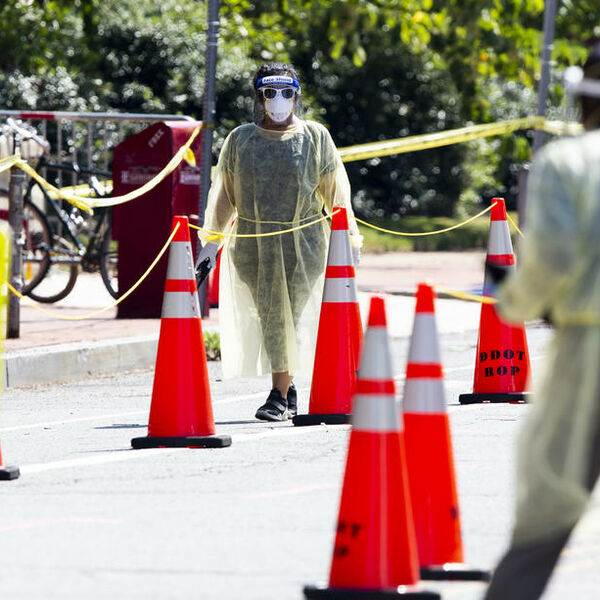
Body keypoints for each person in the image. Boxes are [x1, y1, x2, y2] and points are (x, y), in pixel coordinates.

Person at [483, 43, 600, 600]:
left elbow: (551, 260)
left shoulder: (568, 161)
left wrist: (515, 303)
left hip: (588, 352)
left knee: (548, 510)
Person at [197, 62, 361, 422]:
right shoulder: (240, 140)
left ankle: (278, 394)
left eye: (286, 92)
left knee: (288, 315)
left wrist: (349, 237)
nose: (278, 100)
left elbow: (336, 193)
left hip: (305, 243)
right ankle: (287, 389)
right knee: (270, 315)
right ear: (259, 97)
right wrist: (211, 241)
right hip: (252, 245)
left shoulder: (315, 137)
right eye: (270, 93)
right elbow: (224, 196)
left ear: (296, 96)